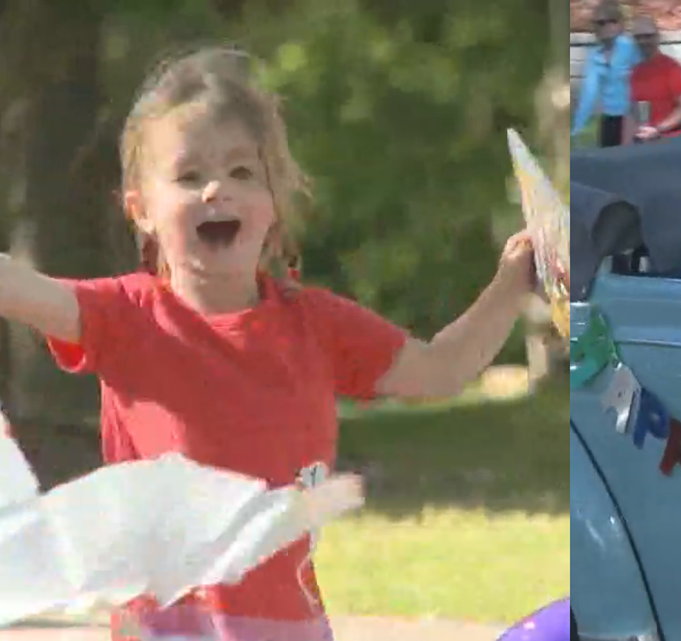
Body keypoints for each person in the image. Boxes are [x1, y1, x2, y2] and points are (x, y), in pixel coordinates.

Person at [0, 46, 536, 641]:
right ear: (141, 210)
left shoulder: (318, 325)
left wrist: (515, 279)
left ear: (273, 206)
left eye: (242, 173)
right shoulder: (123, 317)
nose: (216, 190)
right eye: (188, 176)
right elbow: (15, 286)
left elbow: (441, 369)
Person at [571, 1, 641, 147]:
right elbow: (589, 93)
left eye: (612, 21)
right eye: (600, 23)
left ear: (621, 24)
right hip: (609, 118)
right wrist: (578, 125)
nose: (607, 27)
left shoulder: (630, 48)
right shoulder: (595, 56)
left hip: (632, 115)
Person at [629, 16, 681, 142]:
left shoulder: (671, 68)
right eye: (638, 37)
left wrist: (658, 129)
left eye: (648, 36)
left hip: (671, 139)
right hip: (644, 139)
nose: (643, 41)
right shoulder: (635, 72)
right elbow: (632, 110)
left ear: (658, 37)